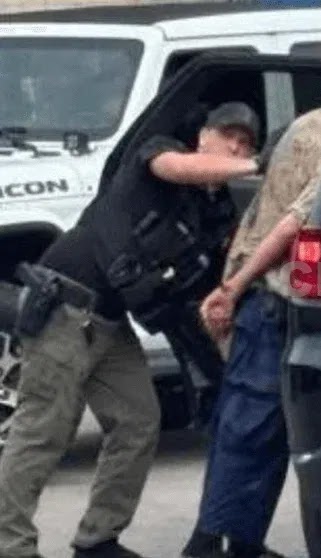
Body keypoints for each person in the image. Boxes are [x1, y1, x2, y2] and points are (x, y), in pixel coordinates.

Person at [0, 102, 263, 558]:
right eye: (228, 138)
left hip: (109, 322)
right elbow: (177, 167)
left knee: (138, 423)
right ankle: (11, 546)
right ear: (203, 137)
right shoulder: (158, 156)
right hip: (65, 307)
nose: (236, 148)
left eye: (246, 143)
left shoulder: (211, 212)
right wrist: (258, 163)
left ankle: (97, 540)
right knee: (42, 434)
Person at [180, 62, 321, 558]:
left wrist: (232, 284)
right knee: (254, 429)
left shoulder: (302, 126)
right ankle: (219, 543)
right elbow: (294, 222)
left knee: (244, 426)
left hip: (258, 298)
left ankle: (230, 540)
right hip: (277, 299)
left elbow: (257, 210)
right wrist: (235, 286)